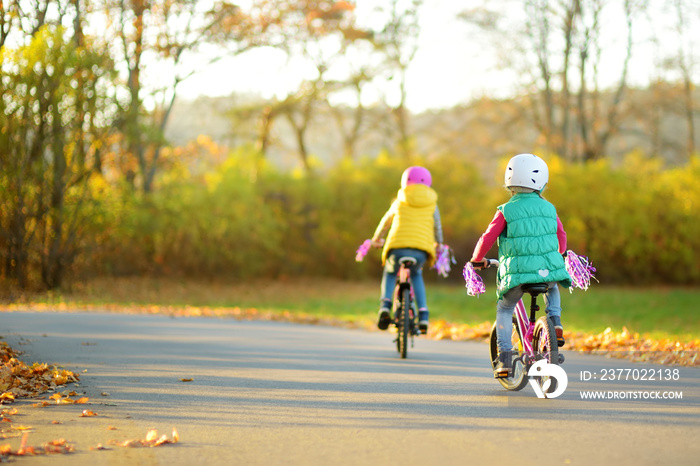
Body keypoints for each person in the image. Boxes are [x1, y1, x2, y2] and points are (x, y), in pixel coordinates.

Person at [470, 153, 571, 378]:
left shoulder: (506, 210)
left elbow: (487, 237)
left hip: (517, 274)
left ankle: (504, 358)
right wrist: (560, 255)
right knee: (552, 284)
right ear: (542, 182)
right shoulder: (549, 208)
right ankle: (555, 322)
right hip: (547, 268)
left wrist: (477, 259)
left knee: (505, 308)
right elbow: (561, 234)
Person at [370, 166, 444, 334]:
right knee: (416, 274)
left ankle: (385, 306)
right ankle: (424, 315)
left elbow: (385, 222)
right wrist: (438, 244)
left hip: (397, 247)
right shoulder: (432, 203)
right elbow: (437, 227)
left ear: (405, 182)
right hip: (421, 250)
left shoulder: (399, 200)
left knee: (390, 272)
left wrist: (376, 238)